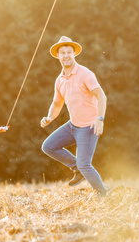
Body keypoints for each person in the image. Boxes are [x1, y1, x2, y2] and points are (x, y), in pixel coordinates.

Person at [40, 36, 108, 195]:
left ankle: (103, 194)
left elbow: (101, 96)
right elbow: (57, 104)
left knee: (85, 164)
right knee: (48, 146)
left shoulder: (85, 74)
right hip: (73, 126)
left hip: (89, 126)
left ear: (74, 54)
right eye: (62, 52)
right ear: (58, 56)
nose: (66, 55)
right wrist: (50, 117)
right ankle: (76, 168)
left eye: (69, 52)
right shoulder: (60, 80)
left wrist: (100, 119)